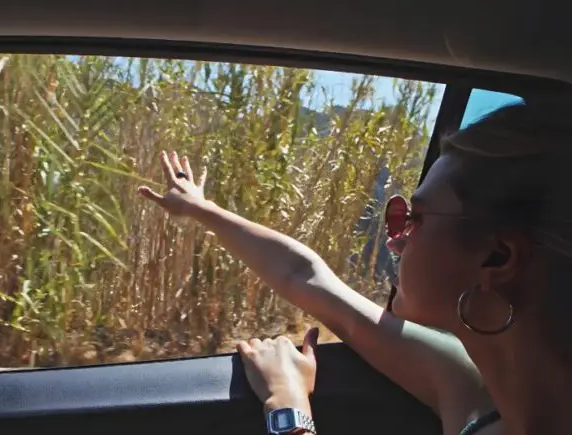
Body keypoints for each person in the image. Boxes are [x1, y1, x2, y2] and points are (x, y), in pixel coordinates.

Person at [137, 101, 572, 435]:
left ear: (497, 258)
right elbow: (306, 277)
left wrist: (287, 405)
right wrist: (201, 209)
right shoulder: (470, 382)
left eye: (412, 218)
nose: (395, 237)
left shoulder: (471, 393)